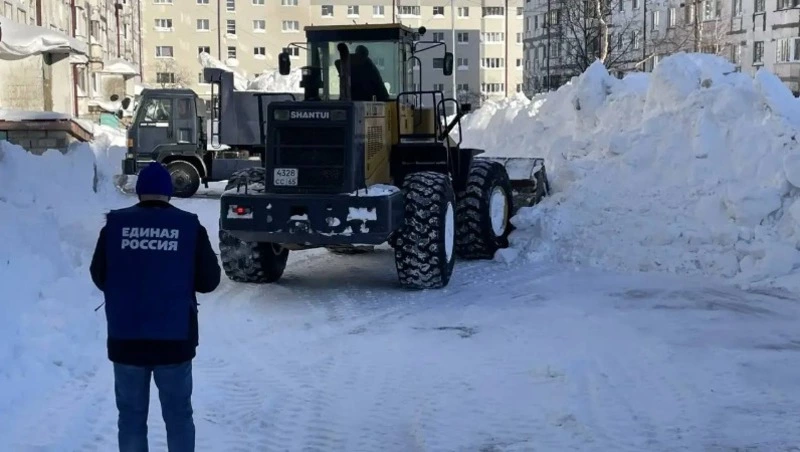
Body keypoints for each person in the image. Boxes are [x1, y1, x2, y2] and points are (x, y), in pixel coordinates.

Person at [89, 162, 221, 452]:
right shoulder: (189, 226)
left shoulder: (114, 226)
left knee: (131, 418)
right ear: (168, 192)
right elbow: (210, 281)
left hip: (126, 339)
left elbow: (99, 275)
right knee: (178, 417)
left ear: (139, 192)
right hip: (174, 340)